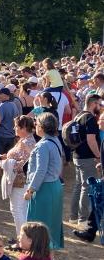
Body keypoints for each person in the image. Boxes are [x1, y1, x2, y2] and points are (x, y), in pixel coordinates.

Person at [24, 112, 64, 250]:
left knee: (40, 222)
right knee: (51, 221)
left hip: (44, 188)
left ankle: (41, 252)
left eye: (37, 123)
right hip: (54, 186)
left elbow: (41, 170)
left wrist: (30, 189)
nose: (35, 125)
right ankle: (49, 253)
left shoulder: (43, 145)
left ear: (42, 126)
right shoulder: (55, 140)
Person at [0, 116, 36, 243]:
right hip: (21, 180)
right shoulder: (25, 140)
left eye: (16, 126)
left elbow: (30, 161)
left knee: (17, 210)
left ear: (24, 128)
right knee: (23, 209)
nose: (14, 128)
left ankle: (23, 240)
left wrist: (9, 162)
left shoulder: (26, 142)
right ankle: (25, 238)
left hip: (21, 181)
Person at [69, 94, 101, 225]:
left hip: (77, 156)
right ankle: (83, 219)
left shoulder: (79, 115)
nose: (100, 107)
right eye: (99, 104)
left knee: (79, 186)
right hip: (87, 158)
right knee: (86, 187)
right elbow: (91, 139)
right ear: (93, 104)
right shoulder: (91, 119)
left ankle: (73, 216)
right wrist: (98, 155)